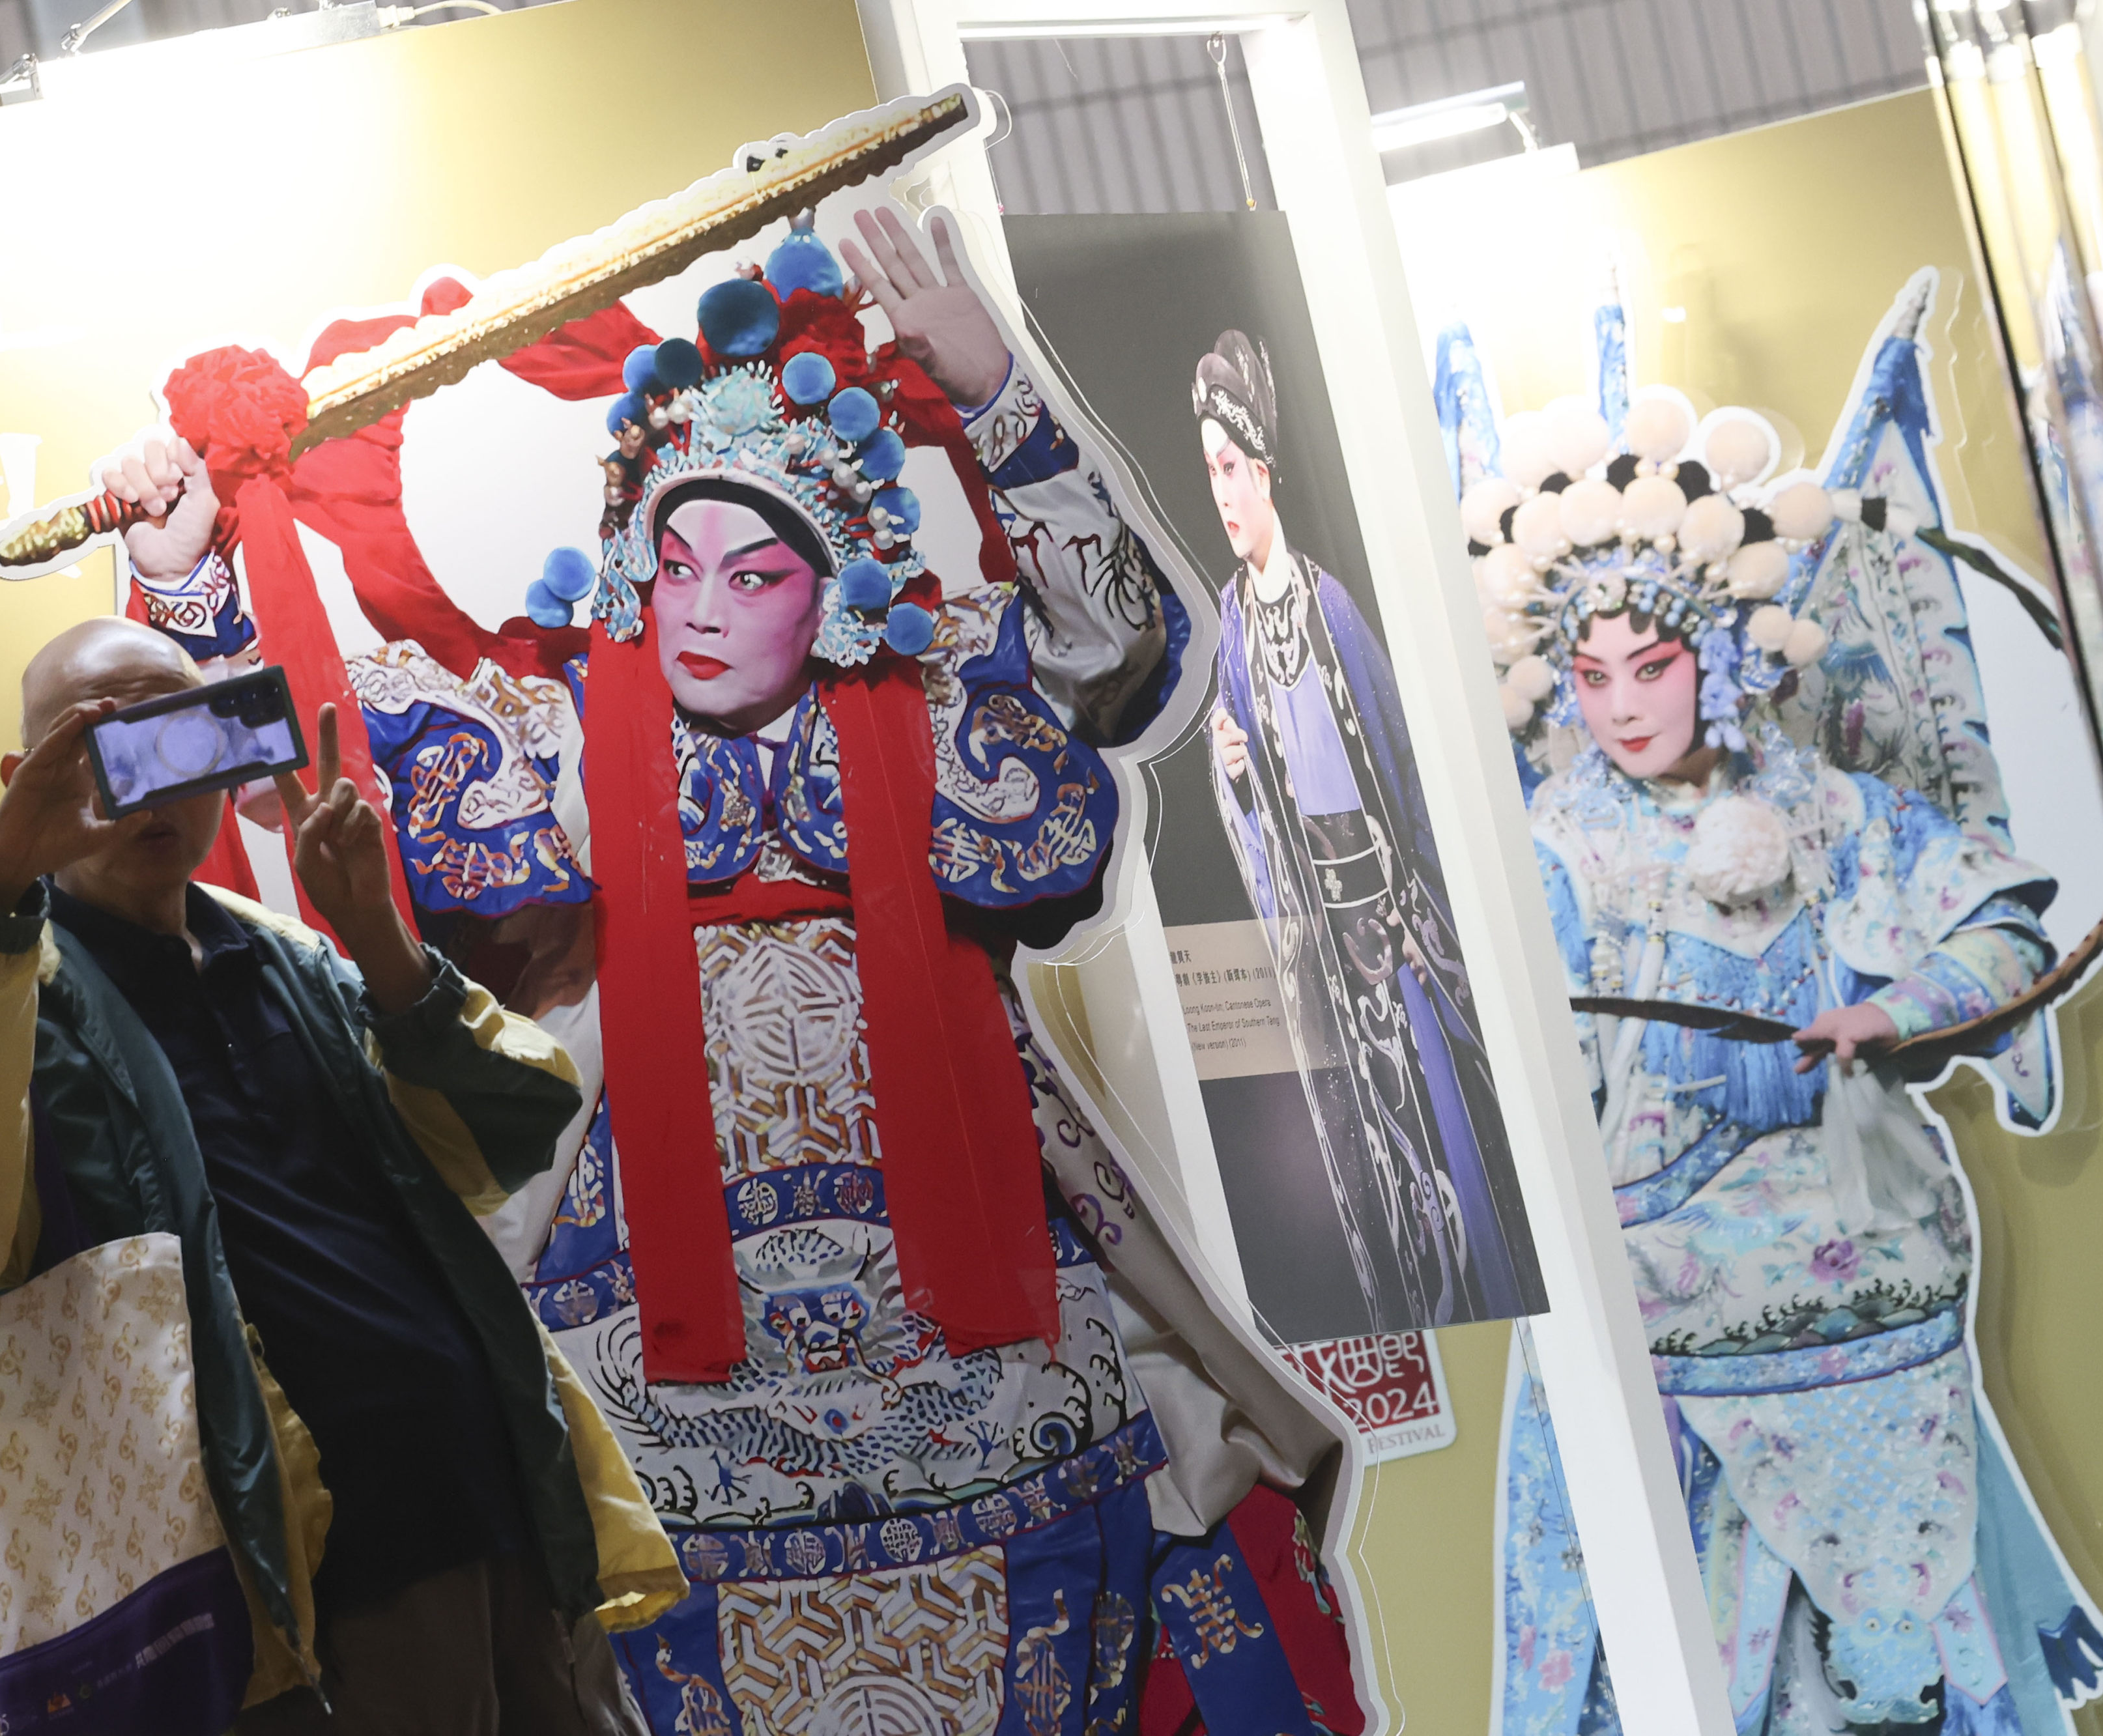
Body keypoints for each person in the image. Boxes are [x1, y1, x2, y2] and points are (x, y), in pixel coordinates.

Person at [125, 210, 1371, 1733]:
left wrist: (994, 397)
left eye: (757, 572)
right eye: (679, 564)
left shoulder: (929, 705)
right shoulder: (566, 735)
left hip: (961, 1251)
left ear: (834, 579)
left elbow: (1116, 650)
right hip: (641, 1256)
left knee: (1070, 1570)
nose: (705, 610)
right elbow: (289, 748)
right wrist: (187, 579)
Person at [0, 616, 685, 1734]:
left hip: (505, 1510)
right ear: (28, 780)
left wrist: (375, 931)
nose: (149, 787)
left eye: (177, 736)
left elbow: (512, 1128)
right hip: (321, 1592)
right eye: (103, 748)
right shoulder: (7, 1009)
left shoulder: (288, 955)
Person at [1472, 394, 2103, 1733]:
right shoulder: (1551, 848)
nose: (1618, 706)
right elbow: (1511, 1094)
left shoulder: (1835, 813)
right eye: (1588, 677)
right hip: (1654, 1305)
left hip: (1861, 1291)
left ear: (1713, 651)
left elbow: (2001, 927)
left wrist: (1891, 1016)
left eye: (1646, 666)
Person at [1196, 329, 1536, 1330]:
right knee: (1391, 1179)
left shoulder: (1327, 606)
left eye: (1228, 468)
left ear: (1263, 471)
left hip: (1397, 939)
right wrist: (1240, 777)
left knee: (1453, 1154)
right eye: (1205, 471)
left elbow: (1401, 778)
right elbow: (1256, 795)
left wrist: (1423, 924)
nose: (1219, 492)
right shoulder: (1232, 625)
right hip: (1331, 963)